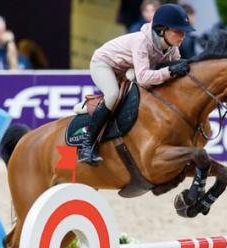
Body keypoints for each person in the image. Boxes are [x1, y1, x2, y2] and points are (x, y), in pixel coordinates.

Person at [79, 3, 194, 165]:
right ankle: (87, 145)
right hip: (104, 64)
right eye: (178, 31)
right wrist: (170, 72)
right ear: (162, 30)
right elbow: (144, 78)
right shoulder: (142, 42)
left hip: (128, 68)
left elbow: (174, 73)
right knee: (112, 94)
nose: (183, 36)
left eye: (184, 31)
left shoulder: (172, 49)